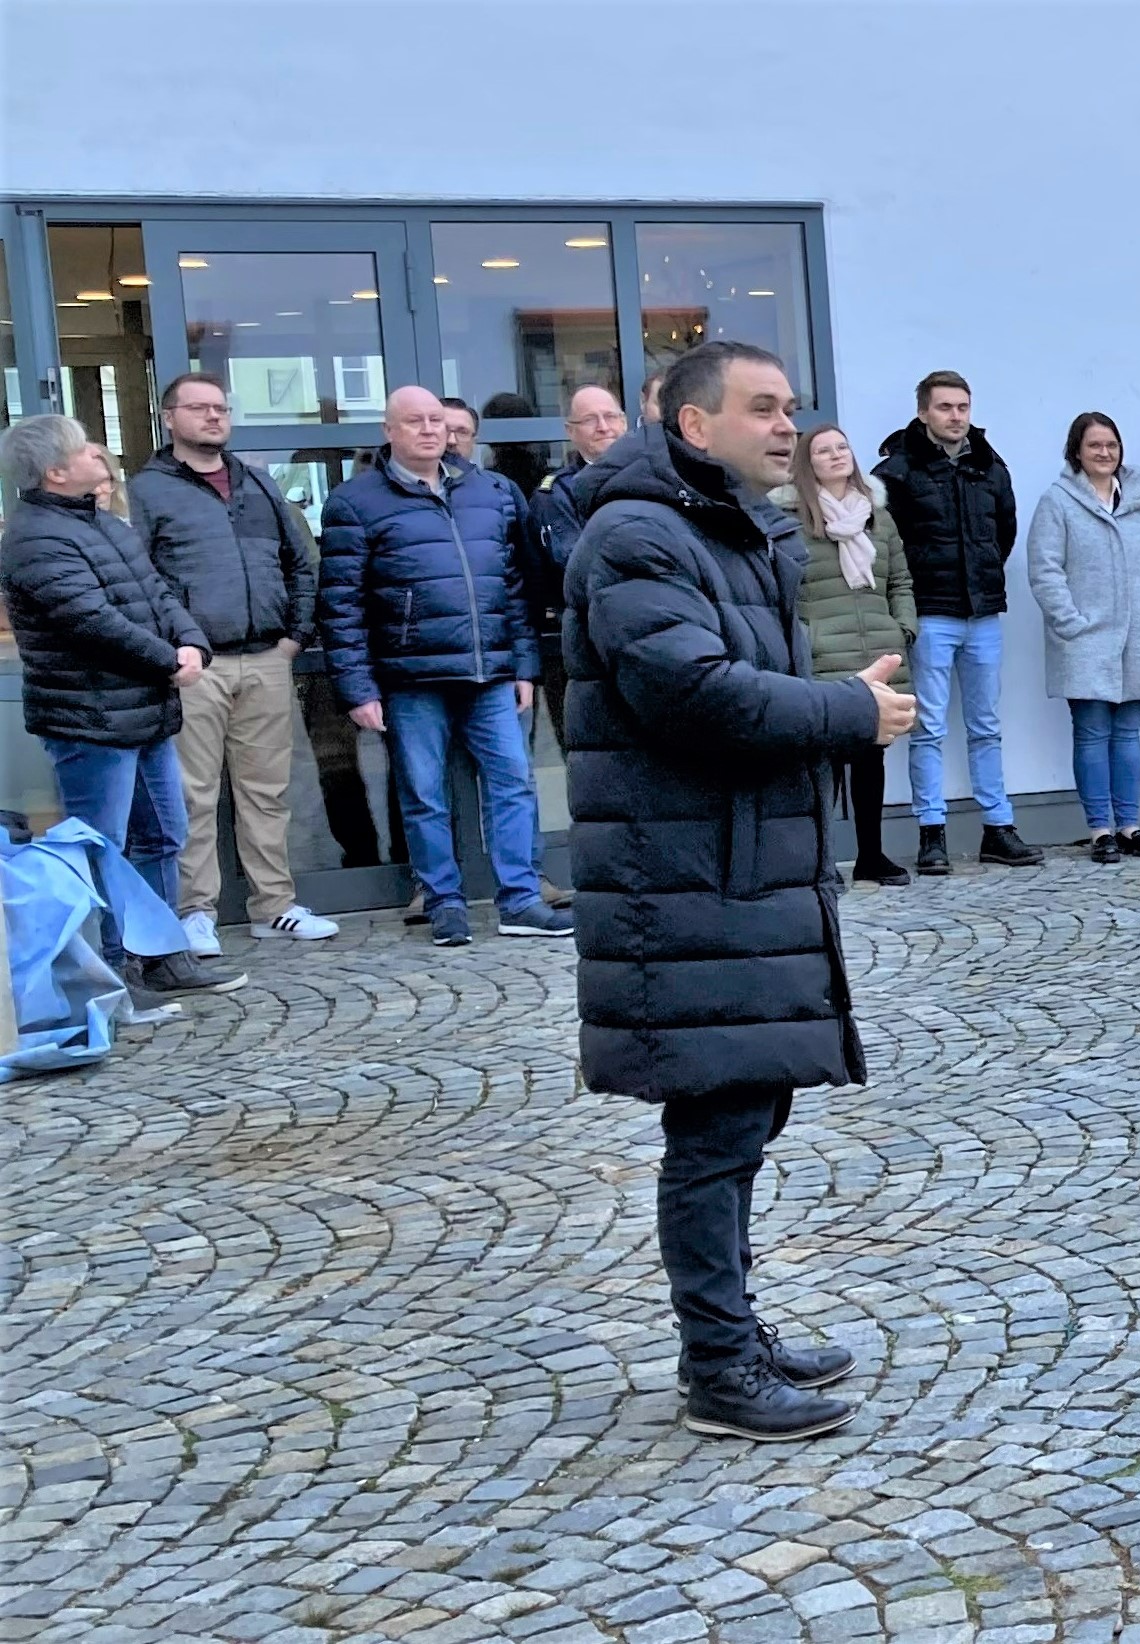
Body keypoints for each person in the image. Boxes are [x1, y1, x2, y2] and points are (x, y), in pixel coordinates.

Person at [563, 338, 918, 1443]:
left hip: (736, 868)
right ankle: (716, 1368)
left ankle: (735, 1334)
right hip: (680, 880)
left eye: (789, 407)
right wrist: (846, 715)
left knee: (744, 1115)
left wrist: (826, 702)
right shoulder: (637, 536)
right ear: (691, 425)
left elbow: (743, 682)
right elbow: (697, 696)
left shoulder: (732, 527)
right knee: (715, 1129)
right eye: (761, 409)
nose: (785, 426)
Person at [321, 386, 570, 949]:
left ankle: (521, 901)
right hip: (410, 680)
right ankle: (445, 904)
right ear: (389, 431)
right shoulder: (354, 502)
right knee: (425, 795)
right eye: (414, 421)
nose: (430, 430)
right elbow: (342, 606)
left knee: (513, 785)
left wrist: (524, 668)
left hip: (492, 676)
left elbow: (516, 591)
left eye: (437, 420)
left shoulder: (495, 492)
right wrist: (358, 688)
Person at [2, 413, 240, 996]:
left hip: (144, 710)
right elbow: (90, 621)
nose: (98, 457)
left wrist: (192, 644)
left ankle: (162, 956)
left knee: (163, 836)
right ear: (56, 471)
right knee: (100, 845)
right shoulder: (33, 536)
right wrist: (167, 660)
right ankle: (113, 969)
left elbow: (156, 591)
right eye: (84, 449)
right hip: (90, 720)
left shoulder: (102, 522)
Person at [133, 372, 337, 948]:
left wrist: (294, 636)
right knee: (193, 794)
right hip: (196, 665)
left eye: (220, 407)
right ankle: (194, 912)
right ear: (169, 417)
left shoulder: (256, 483)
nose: (213, 417)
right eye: (198, 408)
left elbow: (302, 562)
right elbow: (140, 580)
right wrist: (178, 645)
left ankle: (274, 906)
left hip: (266, 658)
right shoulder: (147, 492)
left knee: (267, 792)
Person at [875, 371, 1042, 874]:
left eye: (962, 407)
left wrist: (982, 577)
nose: (955, 416)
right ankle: (932, 833)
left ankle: (998, 827)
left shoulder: (991, 468)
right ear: (924, 411)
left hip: (983, 613)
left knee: (986, 726)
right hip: (930, 614)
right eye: (944, 407)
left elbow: (1003, 533)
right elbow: (886, 546)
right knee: (926, 727)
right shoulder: (896, 473)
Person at [1025, 412, 1140, 862]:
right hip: (1085, 639)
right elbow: (1045, 569)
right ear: (1077, 450)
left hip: (1137, 637)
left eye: (1111, 444)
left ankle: (1130, 825)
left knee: (1128, 732)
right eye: (1094, 445)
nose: (1104, 452)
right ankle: (1100, 830)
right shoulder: (1058, 502)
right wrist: (1070, 622)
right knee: (1092, 732)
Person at [771, 424, 919, 885]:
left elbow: (900, 580)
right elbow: (782, 590)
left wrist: (904, 627)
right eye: (823, 450)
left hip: (878, 648)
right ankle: (821, 861)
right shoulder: (791, 517)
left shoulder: (877, 515)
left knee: (872, 756)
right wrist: (805, 639)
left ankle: (872, 856)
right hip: (824, 655)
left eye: (842, 447)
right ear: (806, 462)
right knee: (825, 763)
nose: (836, 456)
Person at [527, 383, 637, 748]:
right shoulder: (554, 492)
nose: (603, 426)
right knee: (594, 752)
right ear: (570, 431)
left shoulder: (656, 477)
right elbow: (575, 564)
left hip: (652, 636)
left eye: (610, 417)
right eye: (590, 420)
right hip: (585, 642)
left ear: (625, 423)